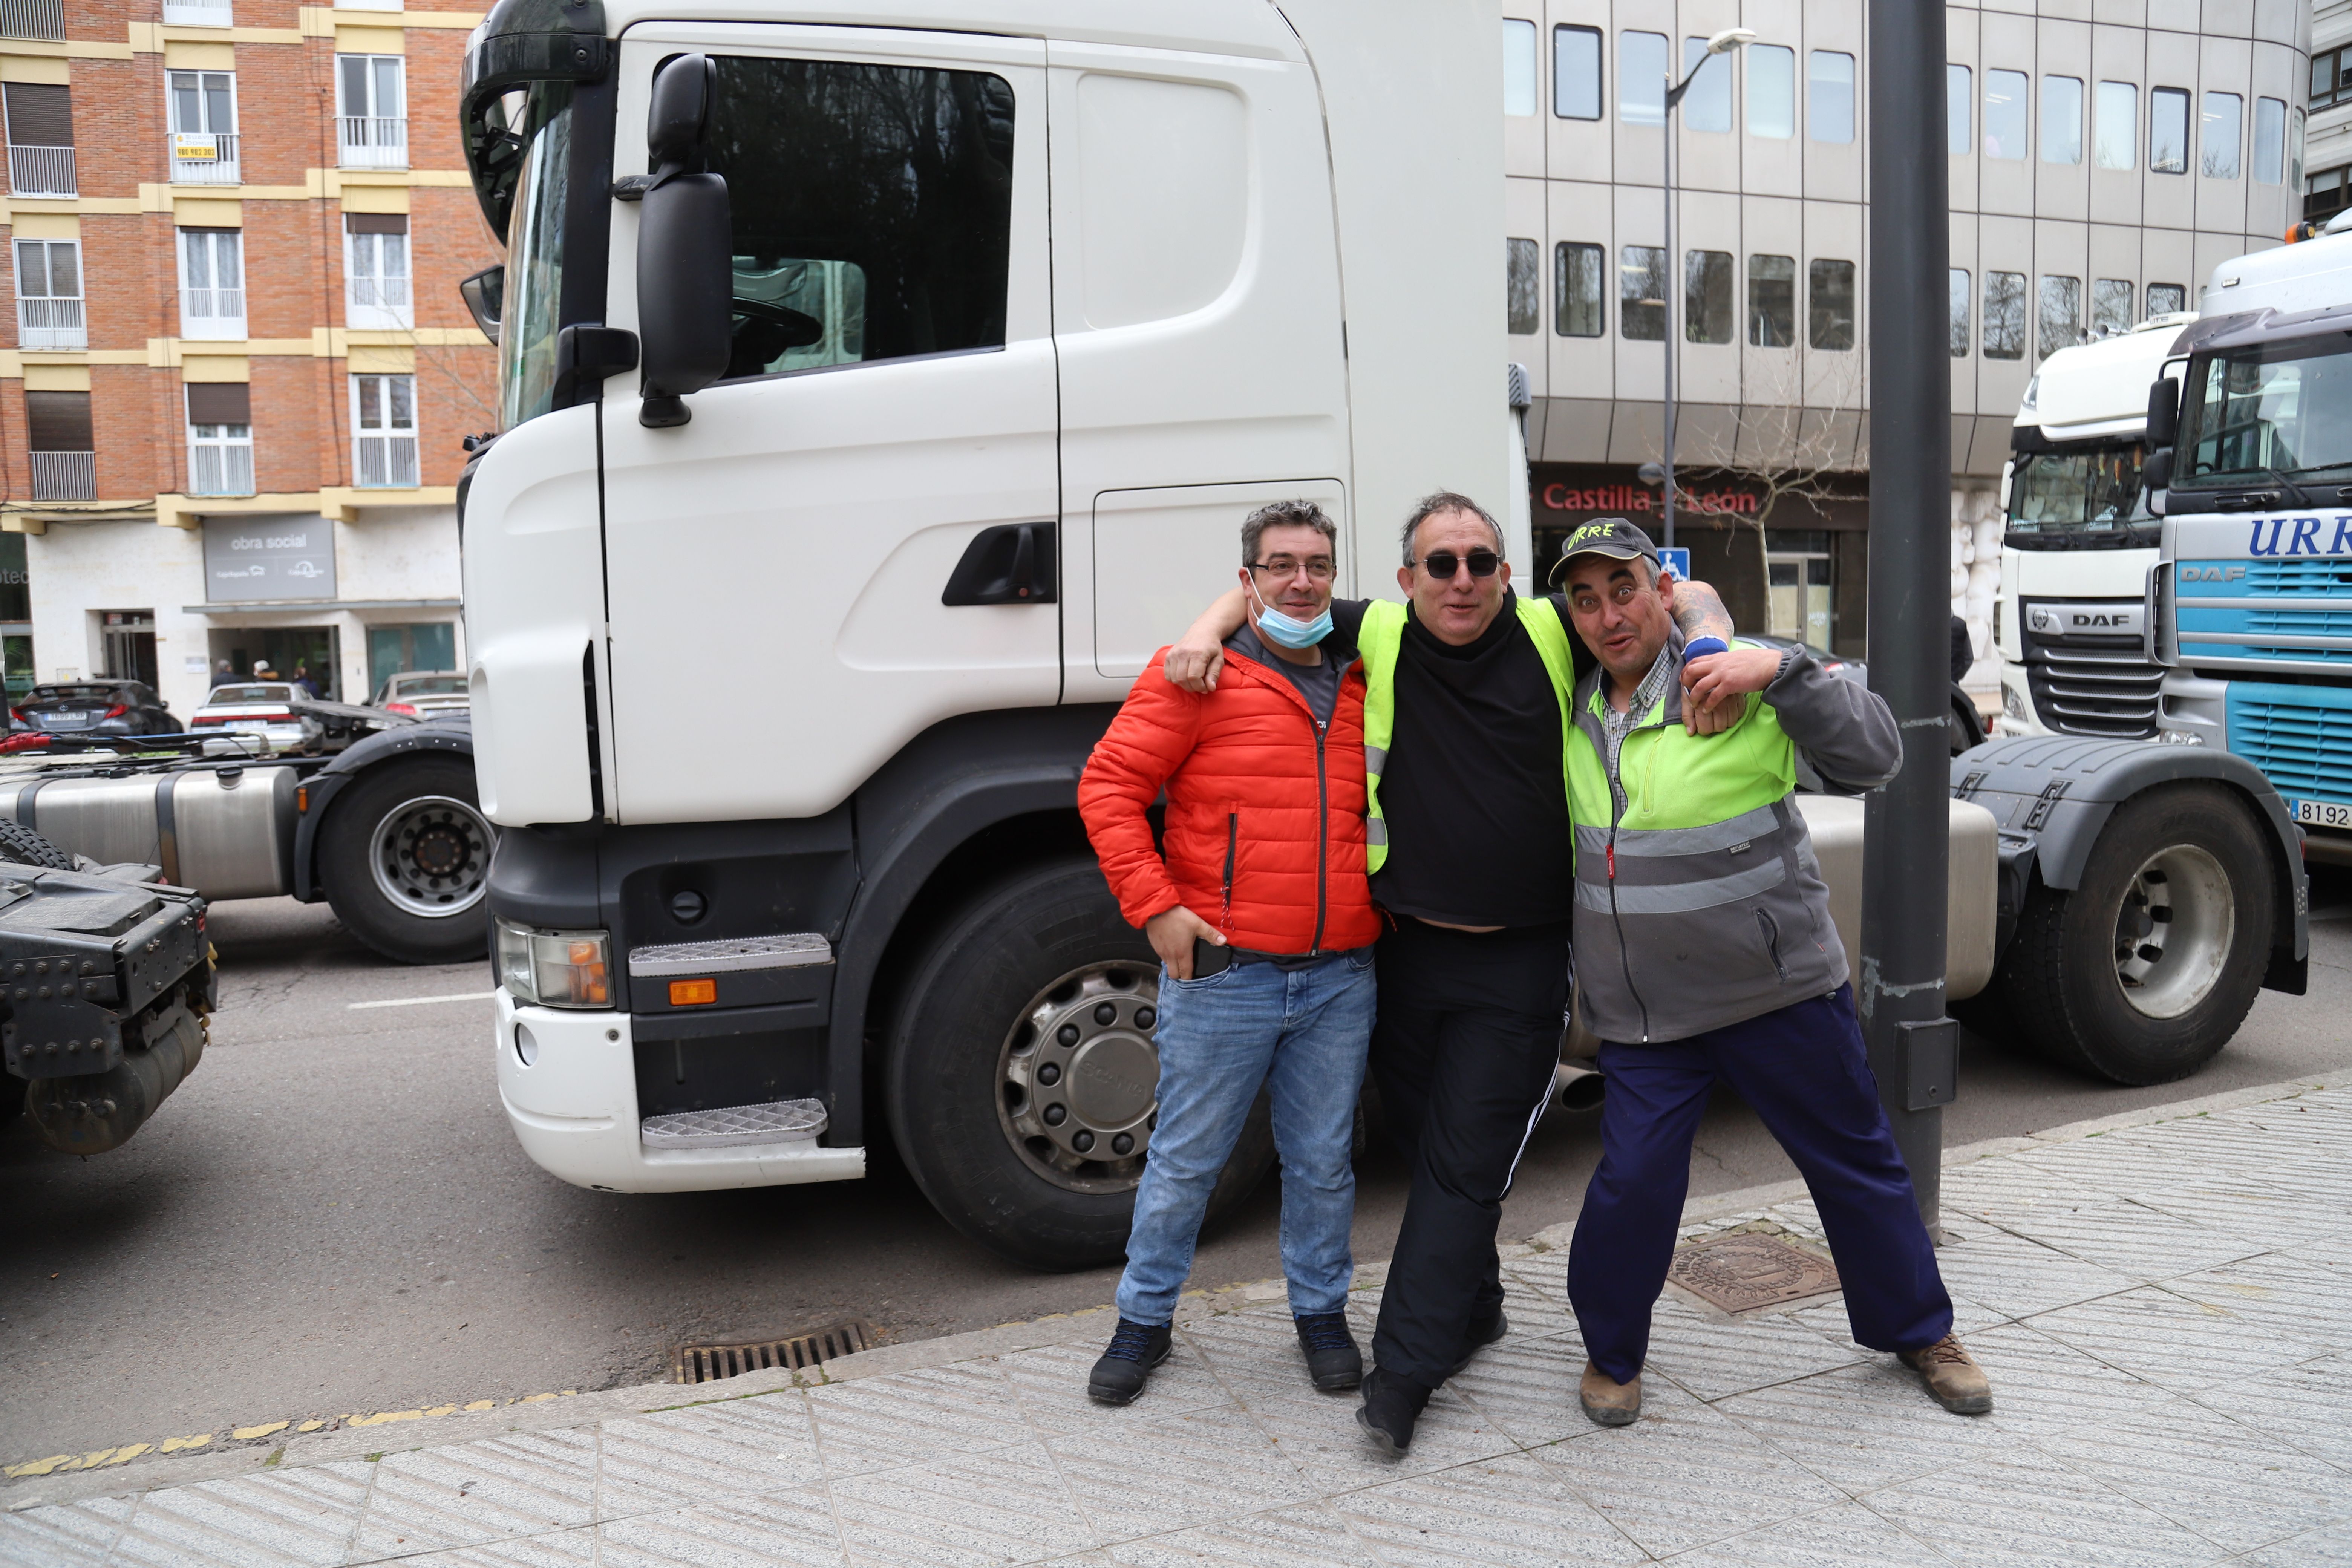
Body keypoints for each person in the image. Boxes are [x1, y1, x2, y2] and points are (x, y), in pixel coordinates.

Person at [1163, 493, 1737, 1455]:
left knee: (1462, 1174)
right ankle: (1476, 1309)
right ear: (1406, 581)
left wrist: (1717, 641)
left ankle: (1404, 1375)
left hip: (1519, 966)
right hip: (1408, 959)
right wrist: (1203, 625)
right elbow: (1273, 604)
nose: (1461, 580)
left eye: (1480, 562)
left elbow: (1692, 595)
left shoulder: (1554, 628)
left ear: (1507, 574)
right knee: (1432, 1146)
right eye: (1441, 565)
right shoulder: (1383, 632)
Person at [1550, 518, 1992, 1426]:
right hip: (1646, 1015)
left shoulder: (1737, 675)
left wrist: (1777, 665)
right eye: (1585, 599)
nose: (1608, 614)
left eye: (1623, 589)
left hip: (1778, 992)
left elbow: (1877, 756)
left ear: (1661, 591)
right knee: (1632, 1184)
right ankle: (1612, 1352)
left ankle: (1923, 1329)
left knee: (1858, 1165)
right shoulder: (1575, 706)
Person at [1076, 499, 1381, 1405]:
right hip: (1227, 974)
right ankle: (1143, 1322)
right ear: (1246, 581)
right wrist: (1156, 908)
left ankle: (1321, 1313)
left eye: (1317, 565)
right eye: (1281, 565)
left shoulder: (1368, 677)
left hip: (1339, 977)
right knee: (1185, 1162)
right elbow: (1108, 788)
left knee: (1323, 1161)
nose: (1302, 580)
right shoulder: (1196, 677)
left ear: (1334, 576)